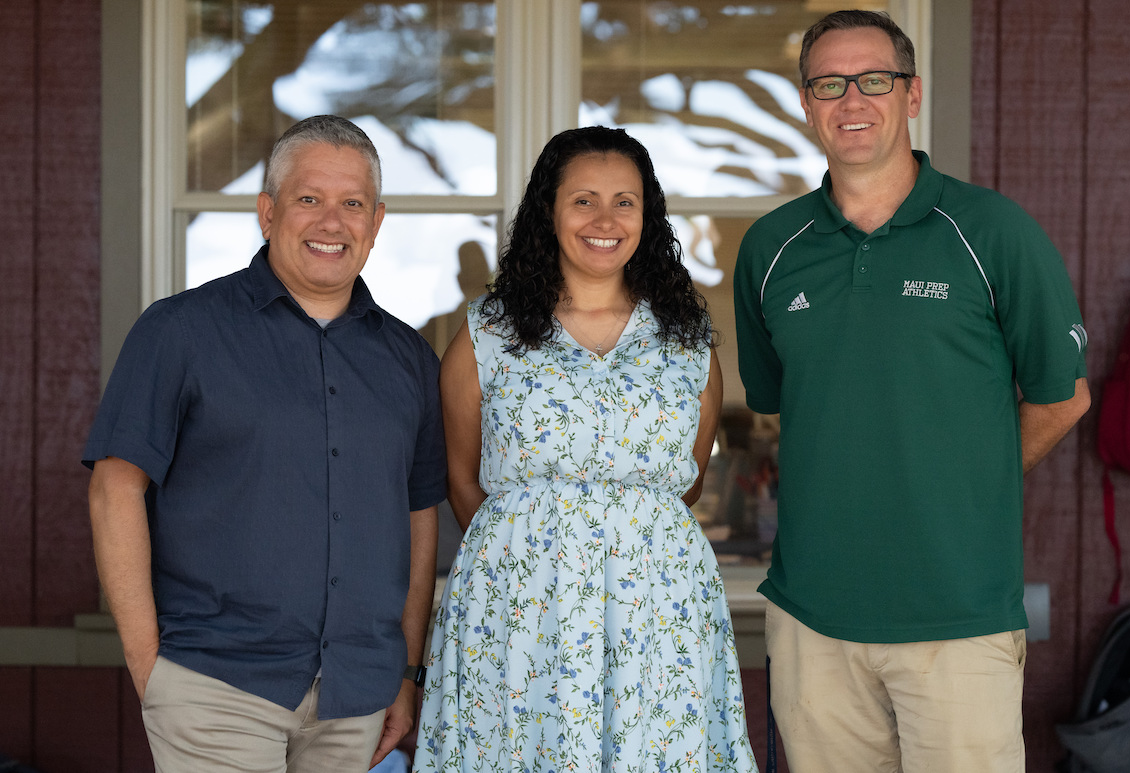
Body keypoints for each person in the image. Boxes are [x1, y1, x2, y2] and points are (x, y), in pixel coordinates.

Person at [733, 10, 1091, 773]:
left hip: (955, 614)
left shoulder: (992, 231)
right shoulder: (771, 247)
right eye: (829, 83)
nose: (851, 100)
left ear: (913, 93)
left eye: (874, 80)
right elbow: (776, 396)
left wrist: (963, 481)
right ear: (806, 103)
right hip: (813, 617)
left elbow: (1063, 396)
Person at [84, 115, 446, 773]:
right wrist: (150, 668)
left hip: (356, 695)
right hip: (216, 686)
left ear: (377, 222)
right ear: (267, 211)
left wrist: (406, 670)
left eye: (352, 203)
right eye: (310, 198)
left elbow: (419, 515)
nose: (331, 221)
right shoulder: (180, 332)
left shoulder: (409, 358)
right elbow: (115, 488)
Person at [414, 126, 759, 772]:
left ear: (647, 216)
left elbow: (680, 485)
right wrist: (542, 553)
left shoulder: (687, 343)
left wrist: (617, 539)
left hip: (656, 610)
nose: (606, 219)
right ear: (549, 209)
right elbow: (461, 478)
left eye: (625, 201)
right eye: (584, 200)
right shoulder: (486, 333)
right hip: (520, 610)